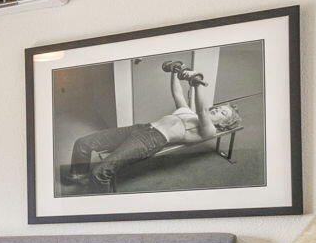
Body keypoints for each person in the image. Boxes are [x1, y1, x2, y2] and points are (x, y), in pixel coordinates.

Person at [68, 59, 244, 189]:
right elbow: (177, 94)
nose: (217, 110)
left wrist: (196, 83)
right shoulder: (187, 112)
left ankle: (107, 212)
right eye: (220, 107)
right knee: (83, 143)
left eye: (223, 113)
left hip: (152, 141)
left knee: (100, 173)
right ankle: (78, 176)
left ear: (223, 124)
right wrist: (175, 72)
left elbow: (203, 111)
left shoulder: (209, 131)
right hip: (141, 128)